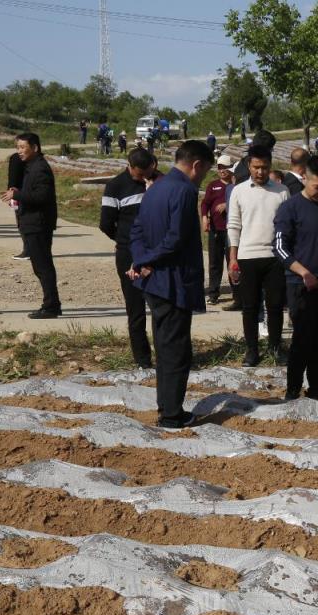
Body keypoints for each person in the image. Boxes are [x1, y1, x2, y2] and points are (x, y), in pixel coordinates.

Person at [127, 140, 214, 428]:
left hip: (154, 281)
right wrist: (147, 259)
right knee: (176, 349)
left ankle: (166, 405)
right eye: (204, 172)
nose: (202, 177)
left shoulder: (156, 187)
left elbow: (136, 229)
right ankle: (172, 415)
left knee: (165, 346)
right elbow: (176, 239)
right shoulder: (185, 190)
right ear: (197, 165)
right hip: (174, 281)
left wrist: (141, 259)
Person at [273, 155, 318, 400]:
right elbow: (280, 248)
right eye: (317, 187)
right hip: (300, 284)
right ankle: (293, 389)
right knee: (302, 339)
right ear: (304, 178)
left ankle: (316, 388)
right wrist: (303, 272)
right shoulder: (290, 208)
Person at [226, 143, 289, 365]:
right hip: (247, 257)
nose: (260, 172)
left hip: (275, 257)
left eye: (264, 167)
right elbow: (233, 226)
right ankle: (251, 350)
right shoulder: (238, 191)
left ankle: (275, 348)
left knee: (275, 306)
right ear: (249, 166)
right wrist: (233, 259)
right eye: (256, 167)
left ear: (270, 166)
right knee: (250, 306)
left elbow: (287, 226)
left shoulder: (282, 191)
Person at [100, 148, 160, 368]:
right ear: (130, 165)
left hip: (157, 253)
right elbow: (105, 223)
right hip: (128, 253)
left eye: (148, 172)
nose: (144, 177)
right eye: (139, 173)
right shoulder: (115, 186)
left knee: (160, 307)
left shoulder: (157, 180)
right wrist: (124, 241)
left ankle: (165, 356)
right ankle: (143, 361)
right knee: (135, 310)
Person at [2, 132, 61, 319]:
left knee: (43, 266)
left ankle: (51, 305)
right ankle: (51, 304)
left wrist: (17, 195)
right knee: (39, 266)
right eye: (17, 148)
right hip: (32, 222)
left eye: (22, 147)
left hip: (38, 224)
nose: (19, 151)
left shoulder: (40, 168)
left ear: (34, 148)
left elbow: (42, 197)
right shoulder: (31, 166)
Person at [200, 153, 236, 306]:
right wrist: (204, 217)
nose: (222, 170)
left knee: (232, 261)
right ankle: (213, 293)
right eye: (220, 167)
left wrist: (227, 205)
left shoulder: (236, 187)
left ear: (231, 169)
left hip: (231, 230)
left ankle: (237, 292)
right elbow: (205, 204)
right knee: (214, 262)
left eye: (225, 167)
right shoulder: (212, 185)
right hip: (216, 229)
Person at [6, 150, 27, 261]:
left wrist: (10, 193)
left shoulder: (15, 158)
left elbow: (12, 178)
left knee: (20, 220)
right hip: (27, 194)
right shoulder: (35, 159)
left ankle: (27, 250)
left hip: (16, 194)